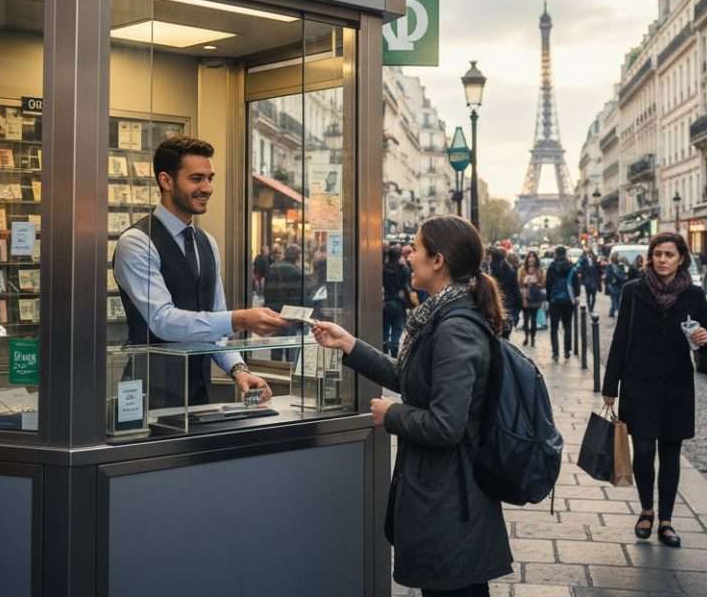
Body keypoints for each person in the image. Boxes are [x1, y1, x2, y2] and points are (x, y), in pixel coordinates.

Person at [310, 216, 513, 595]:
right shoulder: (442, 316)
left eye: (416, 248)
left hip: (451, 499)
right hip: (444, 492)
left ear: (438, 261)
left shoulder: (455, 327)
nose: (408, 254)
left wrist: (393, 415)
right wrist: (350, 345)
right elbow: (413, 380)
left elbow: (446, 424)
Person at [113, 137, 285, 405]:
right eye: (196, 178)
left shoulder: (207, 243)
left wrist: (239, 370)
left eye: (209, 178)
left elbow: (214, 324)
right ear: (166, 181)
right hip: (148, 397)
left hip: (198, 396)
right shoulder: (135, 242)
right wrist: (239, 319)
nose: (207, 188)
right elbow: (163, 321)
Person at [602, 232, 707, 549]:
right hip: (639, 384)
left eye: (669, 254)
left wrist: (706, 339)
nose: (663, 260)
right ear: (650, 257)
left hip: (677, 385)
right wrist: (610, 385)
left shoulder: (693, 295)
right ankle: (646, 509)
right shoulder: (633, 291)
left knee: (670, 454)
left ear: (681, 258)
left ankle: (665, 520)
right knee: (642, 452)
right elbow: (621, 339)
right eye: (658, 254)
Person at [545, 245, 577, 361]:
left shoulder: (552, 267)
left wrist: (548, 299)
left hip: (554, 300)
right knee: (567, 326)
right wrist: (575, 296)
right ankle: (567, 351)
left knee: (554, 328)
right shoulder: (570, 266)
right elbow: (576, 283)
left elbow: (548, 284)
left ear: (555, 254)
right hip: (568, 300)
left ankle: (555, 353)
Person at [382, 244, 411, 356]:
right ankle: (394, 353)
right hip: (399, 303)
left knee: (385, 328)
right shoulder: (404, 269)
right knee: (397, 329)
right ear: (399, 256)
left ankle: (384, 350)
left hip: (386, 303)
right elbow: (406, 287)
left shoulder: (384, 269)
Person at [489, 246, 521, 338]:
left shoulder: (489, 271)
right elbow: (516, 290)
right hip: (508, 306)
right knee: (505, 337)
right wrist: (518, 307)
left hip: (492, 306)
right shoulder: (510, 270)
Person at [519, 251, 544, 346]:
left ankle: (533, 338)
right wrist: (525, 282)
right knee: (525, 320)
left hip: (535, 297)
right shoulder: (522, 270)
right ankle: (526, 337)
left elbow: (543, 283)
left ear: (536, 259)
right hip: (525, 297)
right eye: (530, 257)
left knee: (533, 320)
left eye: (533, 257)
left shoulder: (539, 270)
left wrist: (536, 284)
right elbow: (520, 284)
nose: (531, 259)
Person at [605, 254, 627, 318]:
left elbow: (623, 274)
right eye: (615, 257)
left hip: (619, 285)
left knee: (617, 299)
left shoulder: (621, 266)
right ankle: (617, 311)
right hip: (612, 285)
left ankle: (611, 312)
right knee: (614, 299)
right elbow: (608, 275)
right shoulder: (609, 266)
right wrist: (612, 279)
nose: (616, 259)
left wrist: (623, 277)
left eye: (617, 257)